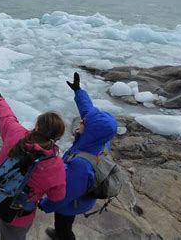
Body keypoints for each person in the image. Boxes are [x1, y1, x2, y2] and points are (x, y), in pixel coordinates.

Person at [39, 72, 118, 240]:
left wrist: (46, 205)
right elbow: (88, 111)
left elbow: (65, 194)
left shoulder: (81, 165)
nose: (80, 121)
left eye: (84, 122)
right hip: (83, 195)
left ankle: (63, 235)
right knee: (65, 223)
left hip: (73, 203)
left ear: (89, 130)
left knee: (63, 224)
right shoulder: (101, 141)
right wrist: (78, 91)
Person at [0, 87, 67, 240]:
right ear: (57, 138)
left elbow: (6, 117)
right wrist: (44, 203)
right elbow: (57, 196)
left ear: (37, 126)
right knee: (13, 235)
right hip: (19, 213)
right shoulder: (56, 165)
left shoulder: (15, 133)